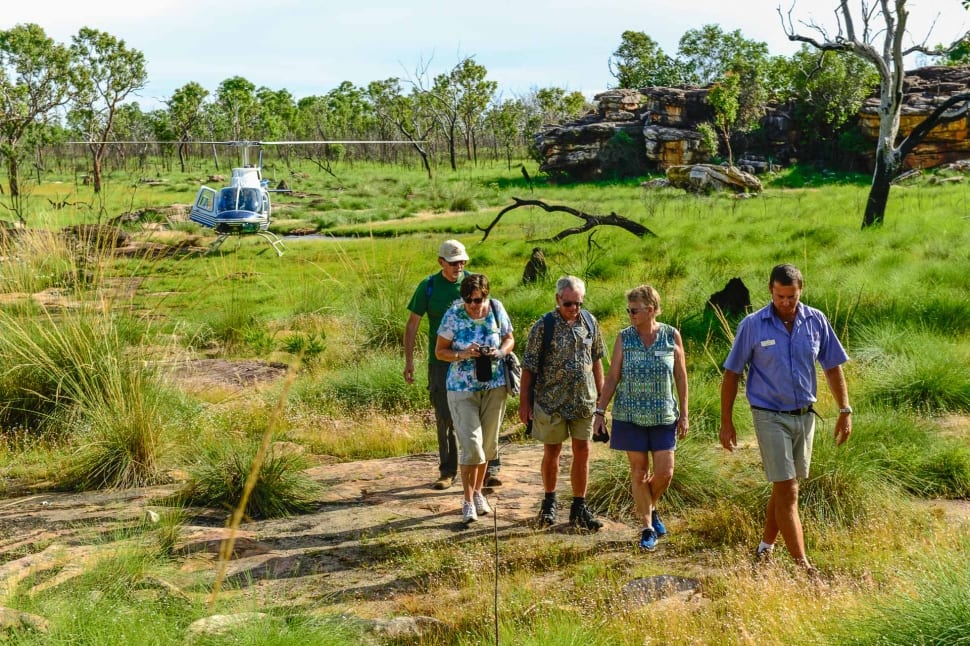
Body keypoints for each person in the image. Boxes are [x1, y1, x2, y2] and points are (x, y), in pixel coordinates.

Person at [719, 264, 852, 572]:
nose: (785, 303)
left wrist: (845, 410)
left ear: (800, 291)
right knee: (789, 490)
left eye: (791, 296)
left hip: (805, 417)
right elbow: (732, 373)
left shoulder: (816, 320)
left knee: (783, 489)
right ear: (770, 290)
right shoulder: (752, 325)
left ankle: (765, 548)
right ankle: (802, 566)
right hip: (769, 415)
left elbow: (832, 366)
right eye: (780, 296)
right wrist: (726, 421)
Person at [594, 285, 689, 551]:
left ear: (650, 310)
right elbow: (612, 376)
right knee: (638, 472)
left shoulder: (671, 336)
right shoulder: (625, 337)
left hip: (663, 415)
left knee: (664, 473)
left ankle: (650, 506)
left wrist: (684, 413)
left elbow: (680, 376)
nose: (630, 315)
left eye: (634, 310)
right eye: (628, 310)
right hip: (629, 415)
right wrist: (600, 411)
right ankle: (647, 527)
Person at [404, 240, 502, 490]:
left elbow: (495, 318)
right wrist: (409, 362)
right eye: (453, 262)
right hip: (441, 361)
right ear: (441, 262)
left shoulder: (474, 283)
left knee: (485, 416)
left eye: (462, 261)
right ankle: (447, 471)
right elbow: (412, 324)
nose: (459, 266)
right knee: (445, 417)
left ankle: (490, 468)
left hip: (478, 363)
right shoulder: (428, 287)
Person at [519, 276, 605, 531]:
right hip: (551, 403)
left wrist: (602, 398)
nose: (574, 309)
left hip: (583, 402)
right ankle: (549, 502)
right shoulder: (543, 326)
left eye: (578, 303)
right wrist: (525, 404)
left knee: (583, 451)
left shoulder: (590, 322)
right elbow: (529, 369)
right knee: (552, 452)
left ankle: (579, 507)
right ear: (558, 299)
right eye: (569, 304)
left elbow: (597, 359)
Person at [434, 274, 514, 524]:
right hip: (461, 388)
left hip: (494, 386)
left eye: (477, 299)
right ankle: (467, 501)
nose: (472, 304)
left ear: (486, 296)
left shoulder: (497, 308)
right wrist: (463, 354)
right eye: (467, 300)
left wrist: (499, 352)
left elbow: (509, 338)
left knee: (487, 447)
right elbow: (440, 351)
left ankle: (479, 492)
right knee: (472, 447)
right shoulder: (453, 315)